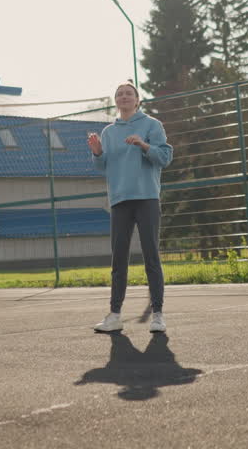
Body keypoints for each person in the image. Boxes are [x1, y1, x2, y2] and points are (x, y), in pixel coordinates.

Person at [87, 81, 173, 334]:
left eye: (128, 94)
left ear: (137, 100)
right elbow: (102, 167)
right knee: (119, 259)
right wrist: (97, 153)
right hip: (119, 200)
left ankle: (157, 314)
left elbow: (164, 158)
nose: (124, 97)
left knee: (151, 257)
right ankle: (114, 316)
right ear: (116, 101)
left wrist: (144, 145)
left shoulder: (152, 125)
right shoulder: (108, 132)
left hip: (146, 197)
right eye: (119, 94)